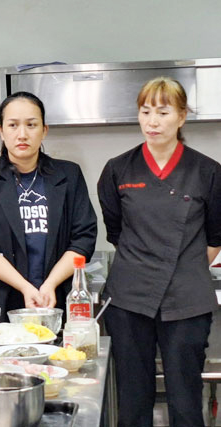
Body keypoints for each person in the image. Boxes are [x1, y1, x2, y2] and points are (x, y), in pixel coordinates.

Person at [98, 77, 221, 427]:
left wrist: (183, 270)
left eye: (163, 112)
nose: (152, 121)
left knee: (185, 401)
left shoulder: (208, 171)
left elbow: (216, 236)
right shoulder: (117, 169)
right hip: (129, 300)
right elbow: (116, 231)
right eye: (145, 111)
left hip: (187, 301)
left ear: (181, 117)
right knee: (133, 402)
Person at [0, 91, 97, 321]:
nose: (22, 134)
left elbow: (83, 238)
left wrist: (50, 284)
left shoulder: (68, 174)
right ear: (1, 131)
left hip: (55, 299)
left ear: (44, 130)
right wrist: (25, 287)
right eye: (13, 125)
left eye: (31, 125)